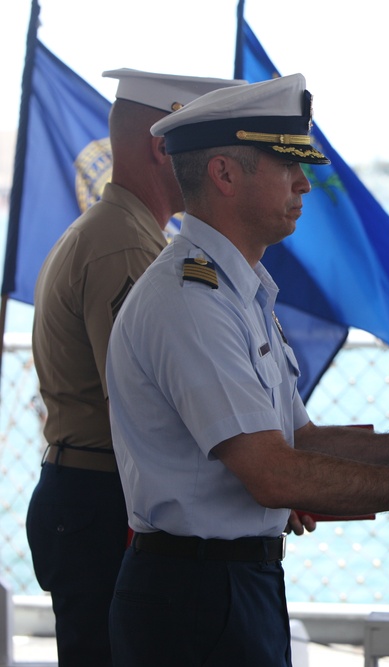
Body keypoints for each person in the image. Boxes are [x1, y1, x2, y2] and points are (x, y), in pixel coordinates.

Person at [104, 72, 389, 667]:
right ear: (225, 174)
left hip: (233, 585)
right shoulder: (191, 300)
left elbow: (299, 441)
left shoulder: (239, 292)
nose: (303, 184)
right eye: (285, 164)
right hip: (194, 595)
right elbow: (273, 475)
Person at [25, 68, 244, 667]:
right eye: (201, 145)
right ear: (161, 145)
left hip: (90, 492)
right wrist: (256, 475)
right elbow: (145, 403)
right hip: (102, 500)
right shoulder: (123, 244)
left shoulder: (119, 232)